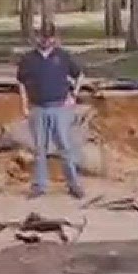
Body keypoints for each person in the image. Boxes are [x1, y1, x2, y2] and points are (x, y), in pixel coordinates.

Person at [15, 23, 86, 199]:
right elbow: (21, 83)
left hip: (60, 108)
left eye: (49, 37)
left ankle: (73, 184)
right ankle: (39, 185)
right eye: (42, 37)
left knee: (65, 146)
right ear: (37, 37)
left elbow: (80, 75)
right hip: (38, 108)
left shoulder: (62, 57)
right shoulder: (28, 59)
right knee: (40, 148)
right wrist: (24, 105)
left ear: (54, 38)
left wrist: (73, 95)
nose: (46, 40)